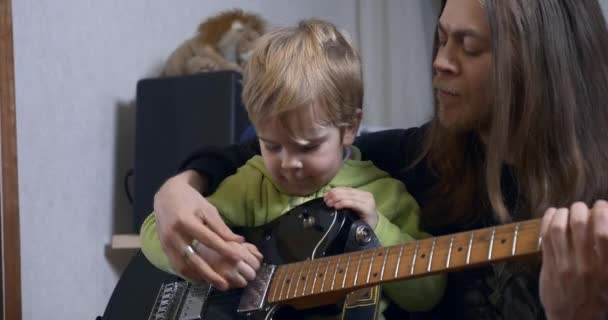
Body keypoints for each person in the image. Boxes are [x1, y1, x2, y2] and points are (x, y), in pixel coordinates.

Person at [151, 0, 608, 319]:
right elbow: (284, 146)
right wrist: (179, 189)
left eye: (468, 47)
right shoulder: (425, 155)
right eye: (441, 39)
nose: (441, 63)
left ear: (535, 65)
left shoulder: (595, 197)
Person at [140, 19, 446, 318]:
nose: (288, 164)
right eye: (272, 145)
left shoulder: (385, 194)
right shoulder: (254, 183)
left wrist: (376, 227)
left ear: (350, 127)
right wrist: (205, 255)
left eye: (308, 146)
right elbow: (156, 232)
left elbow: (428, 294)